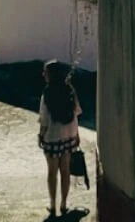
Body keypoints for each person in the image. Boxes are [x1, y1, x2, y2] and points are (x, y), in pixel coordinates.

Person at [38, 59, 82, 216]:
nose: (43, 74)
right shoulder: (70, 91)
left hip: (52, 137)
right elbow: (76, 112)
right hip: (69, 136)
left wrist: (40, 136)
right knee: (65, 170)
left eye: (45, 72)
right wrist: (77, 134)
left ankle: (52, 204)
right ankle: (63, 203)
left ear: (50, 75)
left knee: (52, 172)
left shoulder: (47, 93)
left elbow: (44, 120)